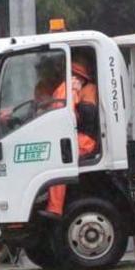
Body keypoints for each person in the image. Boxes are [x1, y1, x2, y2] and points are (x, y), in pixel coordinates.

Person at [44, 59, 99, 218]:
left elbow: (65, 114)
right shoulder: (82, 88)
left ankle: (55, 208)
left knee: (58, 160)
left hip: (84, 140)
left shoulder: (70, 86)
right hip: (81, 137)